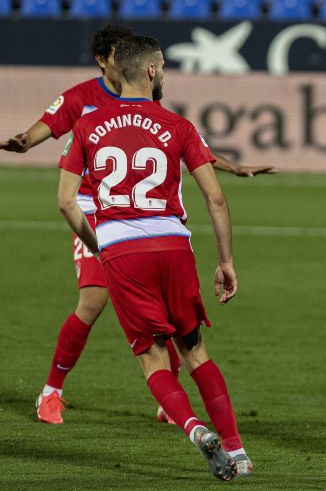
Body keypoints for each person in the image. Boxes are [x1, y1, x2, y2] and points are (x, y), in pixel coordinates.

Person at [0, 24, 276, 426]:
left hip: (144, 219)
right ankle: (51, 392)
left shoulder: (146, 100)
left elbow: (186, 146)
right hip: (96, 211)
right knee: (94, 300)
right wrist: (24, 141)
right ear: (104, 60)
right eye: (117, 52)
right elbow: (40, 131)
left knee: (166, 304)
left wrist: (232, 167)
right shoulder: (82, 99)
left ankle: (170, 398)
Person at [56, 35, 251, 479]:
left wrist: (101, 245)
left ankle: (196, 430)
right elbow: (215, 199)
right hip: (173, 244)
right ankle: (238, 452)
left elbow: (67, 202)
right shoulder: (179, 126)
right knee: (195, 351)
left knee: (152, 358)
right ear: (148, 71)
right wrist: (226, 263)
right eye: (161, 65)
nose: (163, 72)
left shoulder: (86, 127)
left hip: (123, 249)